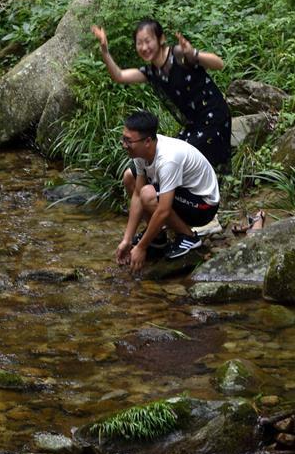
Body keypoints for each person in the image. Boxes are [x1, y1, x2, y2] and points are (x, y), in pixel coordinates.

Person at [92, 19, 230, 235]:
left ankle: (202, 222)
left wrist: (194, 53)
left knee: (186, 164)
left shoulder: (179, 55)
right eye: (139, 43)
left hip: (213, 119)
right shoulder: (152, 71)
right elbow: (119, 76)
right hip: (193, 123)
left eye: (148, 41)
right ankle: (165, 223)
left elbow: (218, 63)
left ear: (161, 39)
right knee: (144, 172)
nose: (144, 47)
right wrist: (104, 50)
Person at [115, 111, 220, 273]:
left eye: (129, 141)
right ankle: (157, 237)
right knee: (130, 177)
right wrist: (127, 240)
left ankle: (188, 237)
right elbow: (136, 194)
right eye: (124, 139)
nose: (124, 145)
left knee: (148, 194)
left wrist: (141, 247)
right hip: (183, 193)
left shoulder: (168, 159)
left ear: (148, 141)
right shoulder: (141, 152)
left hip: (203, 206)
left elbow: (163, 210)